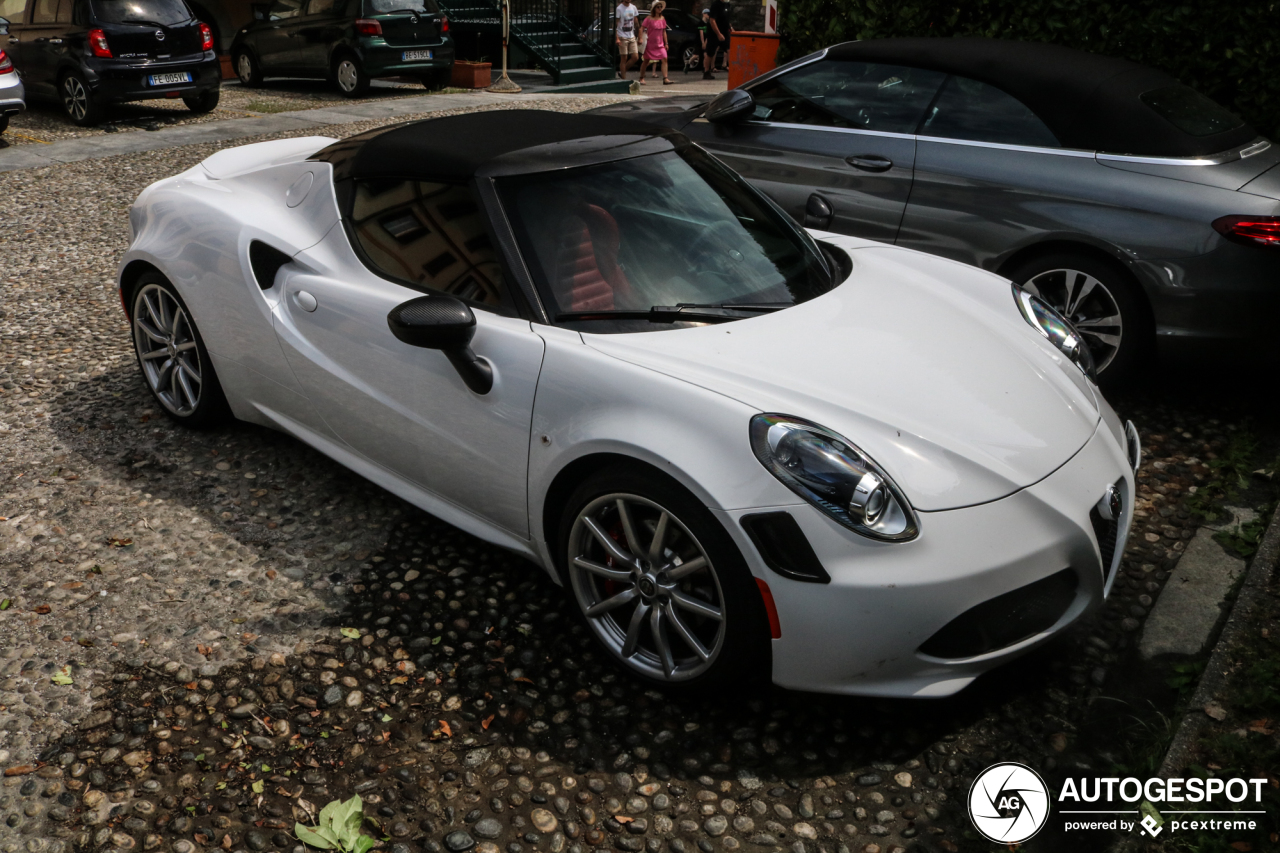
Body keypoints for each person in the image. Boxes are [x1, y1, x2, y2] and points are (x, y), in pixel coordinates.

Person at [639, 1, 671, 85]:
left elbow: (664, 31)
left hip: (660, 44)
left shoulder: (662, 19)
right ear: (654, 9)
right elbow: (641, 28)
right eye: (658, 7)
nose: (660, 8)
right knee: (646, 60)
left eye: (661, 7)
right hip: (650, 44)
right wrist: (640, 39)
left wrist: (666, 43)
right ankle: (641, 77)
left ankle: (665, 78)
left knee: (664, 58)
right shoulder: (648, 19)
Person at [704, 0, 730, 79]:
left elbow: (727, 20)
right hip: (714, 33)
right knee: (710, 53)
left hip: (725, 32)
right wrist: (718, 34)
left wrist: (730, 29)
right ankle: (706, 72)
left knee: (730, 50)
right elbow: (712, 20)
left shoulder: (727, 5)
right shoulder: (715, 5)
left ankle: (733, 69)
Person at [615, 0, 639, 80]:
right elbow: (616, 24)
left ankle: (622, 72)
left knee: (635, 57)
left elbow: (636, 21)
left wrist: (639, 34)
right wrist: (617, 38)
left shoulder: (633, 7)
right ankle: (624, 78)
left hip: (631, 35)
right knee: (624, 58)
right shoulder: (619, 8)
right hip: (622, 35)